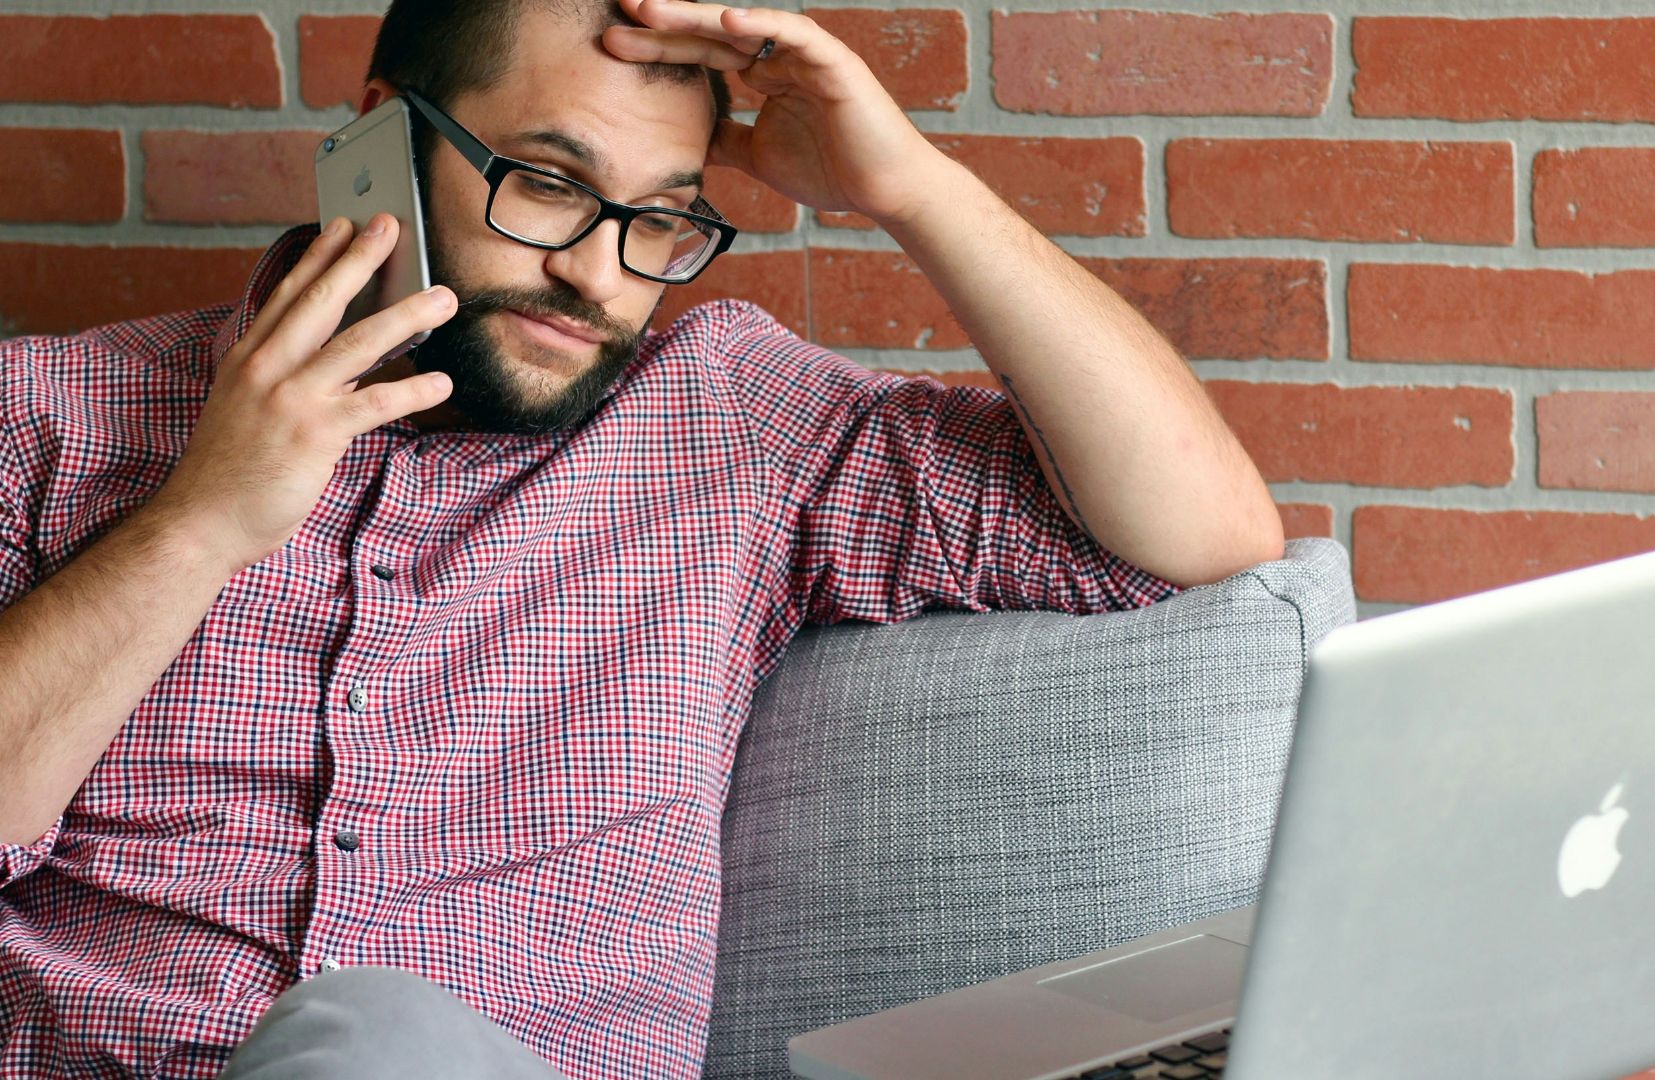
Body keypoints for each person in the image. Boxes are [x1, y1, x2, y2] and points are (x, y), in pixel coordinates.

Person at [0, 0, 1288, 1076]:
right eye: (550, 186)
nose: (602, 275)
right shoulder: (48, 415)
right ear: (382, 134)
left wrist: (909, 187)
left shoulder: (730, 425)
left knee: (380, 1040)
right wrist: (203, 522)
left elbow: (1201, 535)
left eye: (663, 217)